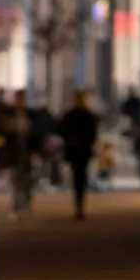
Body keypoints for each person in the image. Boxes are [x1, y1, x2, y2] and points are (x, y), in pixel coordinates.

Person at [60, 90, 99, 220]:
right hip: (82, 150)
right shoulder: (87, 115)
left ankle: (79, 202)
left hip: (76, 150)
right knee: (80, 176)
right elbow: (93, 134)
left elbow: (63, 131)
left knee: (78, 176)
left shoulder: (72, 115)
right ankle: (79, 202)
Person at [8, 87, 34, 216]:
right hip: (13, 153)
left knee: (27, 180)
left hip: (26, 152)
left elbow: (35, 135)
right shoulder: (8, 114)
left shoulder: (30, 114)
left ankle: (27, 205)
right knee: (14, 181)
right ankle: (15, 207)